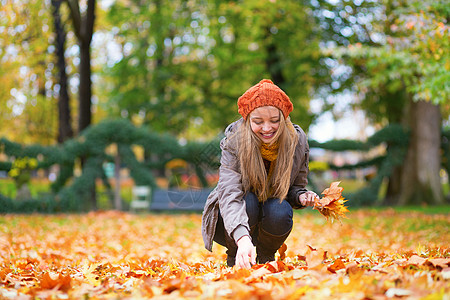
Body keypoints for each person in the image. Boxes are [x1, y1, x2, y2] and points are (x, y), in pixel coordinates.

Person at [201, 79, 319, 269]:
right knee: (248, 201)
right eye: (258, 122)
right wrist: (242, 238)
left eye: (274, 121)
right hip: (234, 219)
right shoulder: (235, 141)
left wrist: (302, 195)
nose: (266, 128)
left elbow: (295, 187)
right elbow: (230, 193)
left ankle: (266, 258)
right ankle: (235, 258)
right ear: (248, 121)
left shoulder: (296, 141)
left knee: (279, 208)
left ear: (284, 119)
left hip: (270, 219)